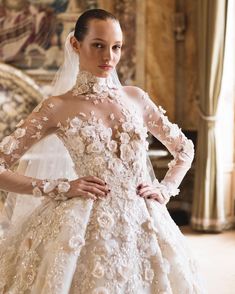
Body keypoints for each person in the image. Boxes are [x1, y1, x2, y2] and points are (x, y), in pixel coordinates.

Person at [0, 8, 206, 294]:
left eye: (116, 47)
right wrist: (58, 186)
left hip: (144, 220)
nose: (108, 57)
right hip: (85, 225)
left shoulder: (135, 97)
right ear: (76, 45)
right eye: (98, 45)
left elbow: (184, 148)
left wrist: (166, 188)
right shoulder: (57, 107)